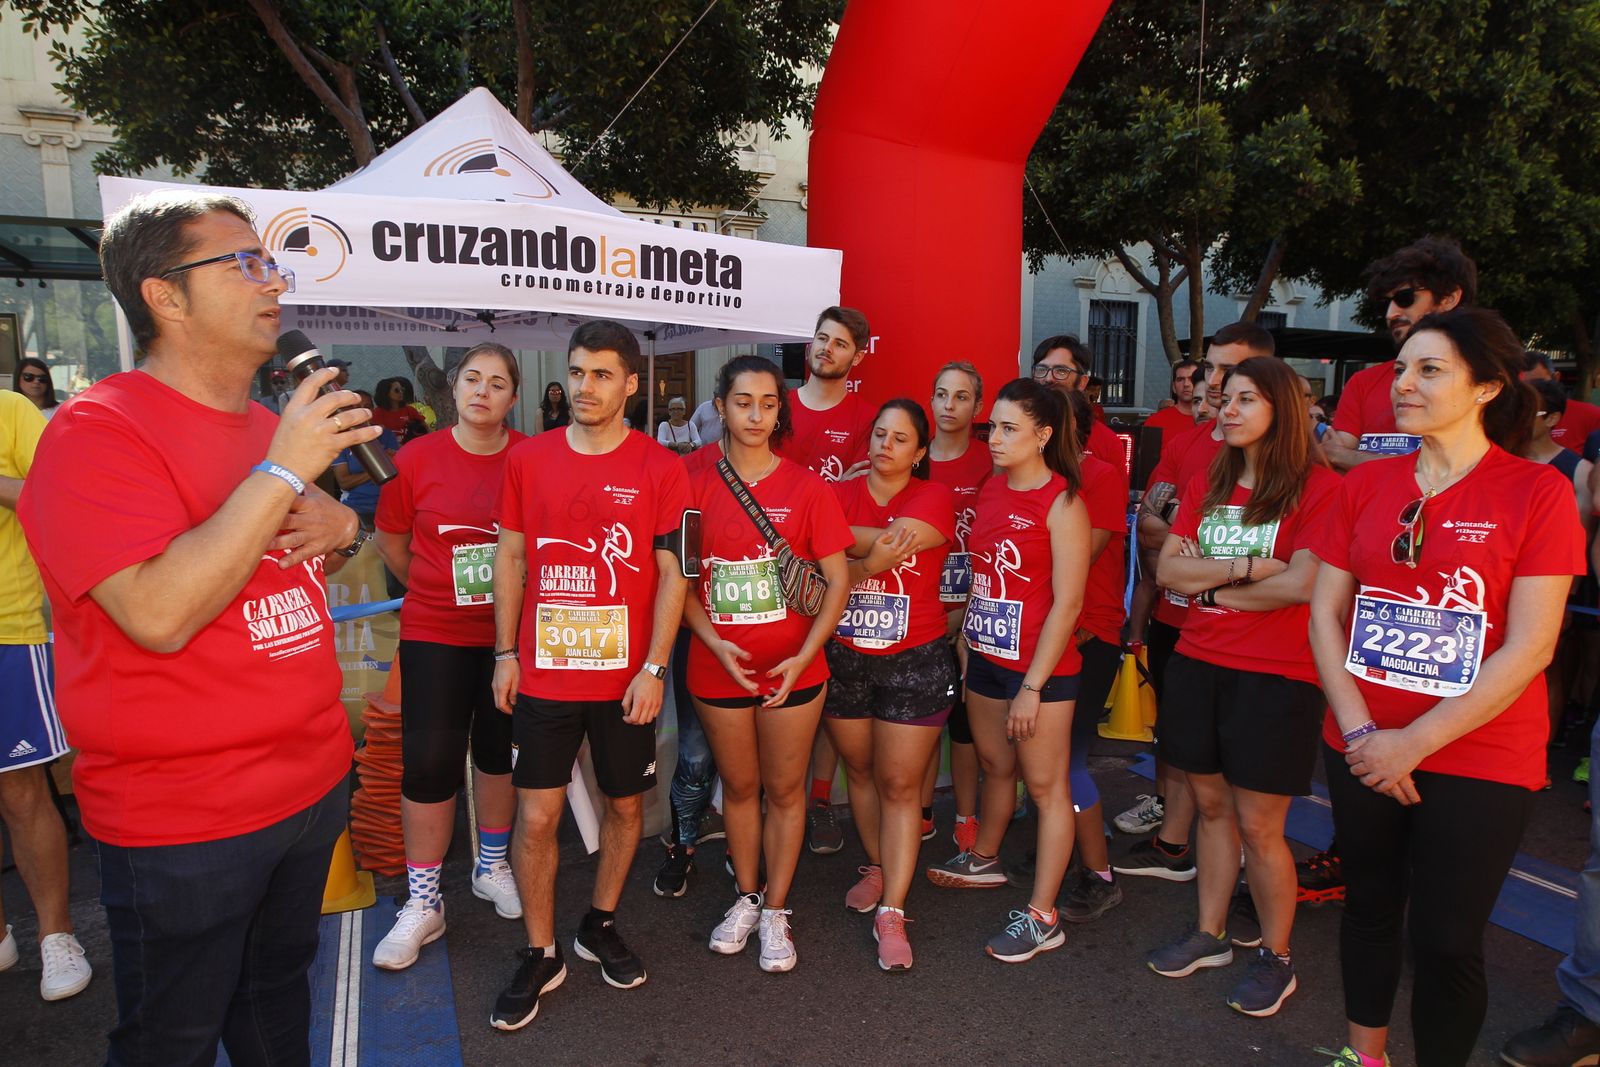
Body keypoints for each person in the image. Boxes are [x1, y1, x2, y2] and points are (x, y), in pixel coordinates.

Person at [19, 189, 376, 1064]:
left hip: (310, 785)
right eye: (245, 263)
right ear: (165, 296)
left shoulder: (266, 424)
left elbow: (280, 561)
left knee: (273, 1005)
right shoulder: (96, 432)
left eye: (271, 263)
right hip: (185, 819)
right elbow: (158, 612)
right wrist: (285, 472)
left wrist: (346, 529)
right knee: (168, 1039)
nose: (274, 283)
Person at [1307, 307, 1586, 1067]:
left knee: (1446, 938)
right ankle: (1364, 1055)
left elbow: (1532, 646)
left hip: (1481, 756)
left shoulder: (1536, 492)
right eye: (1401, 367)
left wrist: (1413, 743)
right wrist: (1365, 734)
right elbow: (1326, 615)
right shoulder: (1365, 484)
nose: (1404, 382)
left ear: (1488, 385)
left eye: (1429, 369)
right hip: (1361, 744)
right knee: (1368, 909)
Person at [488, 319, 690, 1029]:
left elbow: (674, 574)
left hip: (625, 681)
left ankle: (599, 922)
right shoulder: (528, 459)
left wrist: (655, 667)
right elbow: (509, 559)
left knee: (626, 807)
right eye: (576, 372)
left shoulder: (663, 468)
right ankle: (541, 950)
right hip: (543, 677)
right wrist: (505, 652)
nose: (584, 386)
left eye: (602, 374)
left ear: (632, 383)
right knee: (537, 816)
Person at [1143, 357, 1341, 1018]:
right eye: (1223, 398)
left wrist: (1214, 578)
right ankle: (1211, 933)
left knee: (1261, 825)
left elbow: (1304, 585)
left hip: (1276, 678)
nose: (1225, 409)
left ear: (1280, 409)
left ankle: (1277, 955)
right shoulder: (1208, 479)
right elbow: (1171, 568)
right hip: (1199, 661)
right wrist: (1252, 567)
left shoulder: (1319, 487)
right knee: (1211, 806)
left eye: (1243, 398)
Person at [684, 354, 851, 974]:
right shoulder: (690, 478)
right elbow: (677, 579)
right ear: (720, 406)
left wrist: (808, 653)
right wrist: (711, 638)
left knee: (786, 791)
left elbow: (836, 581)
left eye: (769, 402)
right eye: (743, 401)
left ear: (781, 410)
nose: (756, 414)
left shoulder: (808, 487)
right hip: (716, 667)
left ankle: (777, 910)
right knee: (741, 789)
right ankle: (746, 898)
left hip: (796, 672)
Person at [369, 343, 527, 972]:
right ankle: (424, 898)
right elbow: (392, 541)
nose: (482, 391)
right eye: (471, 379)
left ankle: (491, 865)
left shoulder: (531, 460)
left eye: (496, 382)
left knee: (497, 752)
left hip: (509, 639)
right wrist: (436, 589)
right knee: (429, 764)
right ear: (453, 389)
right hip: (435, 631)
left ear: (514, 398)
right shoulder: (416, 459)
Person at [927, 378, 1090, 964]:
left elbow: (1067, 605)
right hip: (987, 659)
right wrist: (970, 640)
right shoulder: (992, 490)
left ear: (1043, 436)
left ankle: (1044, 915)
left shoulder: (1065, 502)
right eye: (991, 426)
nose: (992, 438)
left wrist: (1033, 687)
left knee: (1047, 790)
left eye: (1007, 428)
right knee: (996, 764)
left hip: (1039, 675)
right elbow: (982, 575)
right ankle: (986, 856)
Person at [1115, 322, 1275, 877]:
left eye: (1230, 371)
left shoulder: (1296, 465)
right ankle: (1176, 843)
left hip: (1254, 642)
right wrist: (1222, 563)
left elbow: (1293, 570)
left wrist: (1191, 557)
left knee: (1246, 778)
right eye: (1209, 368)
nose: (1213, 382)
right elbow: (1152, 526)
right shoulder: (1184, 443)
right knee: (1183, 742)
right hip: (1175, 619)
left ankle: (1240, 873)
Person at [822, 398, 957, 971]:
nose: (885, 445)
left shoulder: (935, 495)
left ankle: (893, 911)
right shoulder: (838, 493)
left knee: (900, 785)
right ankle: (878, 864)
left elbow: (897, 537)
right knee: (860, 773)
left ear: (920, 451)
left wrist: (848, 537)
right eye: (880, 434)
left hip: (915, 658)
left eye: (901, 439)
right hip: (847, 656)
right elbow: (815, 544)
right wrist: (870, 538)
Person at [0, 389, 89, 1003]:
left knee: (22, 790)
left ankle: (55, 936)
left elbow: (62, 495)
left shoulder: (10, 410)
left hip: (6, 627)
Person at [777, 307, 876, 855]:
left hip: (829, 574)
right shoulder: (779, 407)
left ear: (856, 356)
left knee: (825, 700)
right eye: (820, 338)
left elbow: (858, 500)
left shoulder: (866, 419)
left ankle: (817, 802)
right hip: (769, 573)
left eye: (839, 343)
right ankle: (767, 800)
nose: (826, 349)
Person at [1323, 236, 1477, 473]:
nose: (1390, 313)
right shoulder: (1364, 382)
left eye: (1405, 298)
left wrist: (1352, 458)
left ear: (1449, 298)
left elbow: (1464, 469)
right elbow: (1333, 458)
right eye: (1385, 304)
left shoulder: (1486, 379)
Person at [927, 361, 993, 853]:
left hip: (975, 617)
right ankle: (922, 812)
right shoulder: (913, 458)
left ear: (977, 406)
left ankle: (966, 817)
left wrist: (967, 616)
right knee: (922, 725)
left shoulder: (992, 463)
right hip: (919, 616)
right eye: (942, 395)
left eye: (961, 397)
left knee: (967, 730)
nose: (950, 406)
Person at [1030, 333, 1125, 467]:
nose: (1048, 378)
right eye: (1041, 369)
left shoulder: (1106, 442)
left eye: (1061, 371)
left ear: (1082, 382)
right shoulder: (1016, 430)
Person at [330, 389, 399, 528]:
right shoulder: (340, 440)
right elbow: (344, 482)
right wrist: (379, 467)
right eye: (356, 407)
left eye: (367, 407)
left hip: (390, 506)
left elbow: (397, 470)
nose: (362, 411)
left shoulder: (386, 435)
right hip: (358, 508)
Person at [1525, 352, 1600, 456]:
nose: (1530, 391)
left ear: (1556, 378)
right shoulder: (1504, 419)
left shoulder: (1591, 415)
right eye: (1522, 386)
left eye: (1539, 383)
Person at [1145, 362, 1202, 437]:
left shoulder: (1214, 420)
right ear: (1174, 387)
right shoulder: (1155, 421)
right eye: (1180, 379)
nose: (1186, 384)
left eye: (1191, 379)